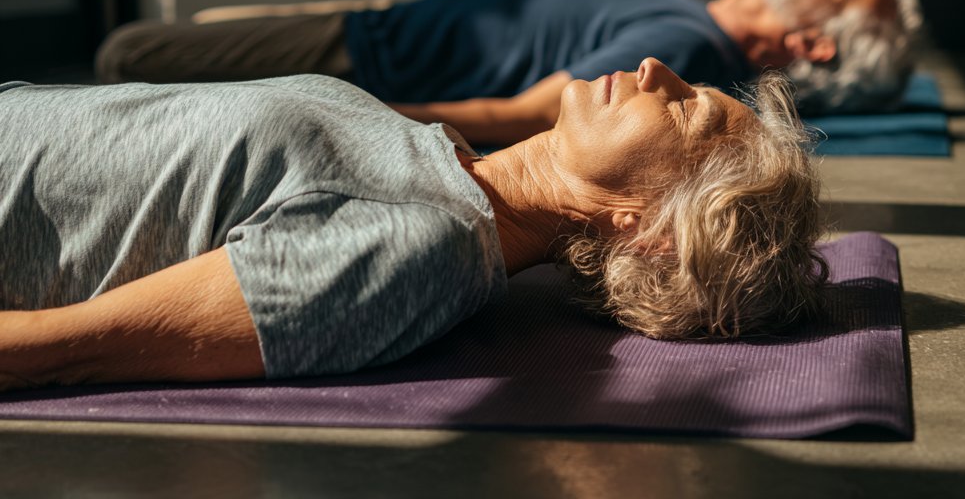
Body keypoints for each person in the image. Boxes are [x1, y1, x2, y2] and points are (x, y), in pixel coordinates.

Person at [0, 60, 824, 392]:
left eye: (687, 111)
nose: (657, 71)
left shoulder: (429, 245)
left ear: (647, 229)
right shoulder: (448, 165)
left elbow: (71, 347)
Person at [95, 0, 921, 146]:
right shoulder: (690, 21)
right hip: (381, 22)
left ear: (812, 44)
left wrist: (334, 110)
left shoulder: (683, 48)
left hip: (368, 57)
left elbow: (529, 115)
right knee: (182, 39)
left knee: (126, 56)